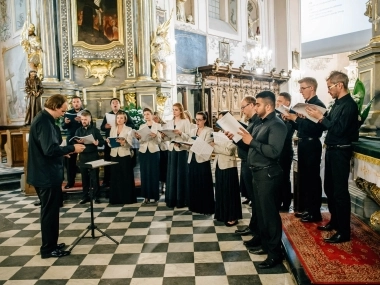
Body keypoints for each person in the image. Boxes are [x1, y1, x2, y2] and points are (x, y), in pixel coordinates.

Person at [27, 94, 85, 258]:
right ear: (55, 106)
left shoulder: (43, 118)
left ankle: (51, 243)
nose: (64, 113)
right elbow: (49, 149)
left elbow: (48, 149)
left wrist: (62, 154)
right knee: (49, 213)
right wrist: (71, 149)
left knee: (50, 211)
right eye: (63, 110)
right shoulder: (44, 122)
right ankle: (48, 249)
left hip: (43, 173)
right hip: (46, 175)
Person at [306, 71, 359, 243]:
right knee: (329, 188)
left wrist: (320, 117)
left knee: (340, 192)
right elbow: (327, 123)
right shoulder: (336, 104)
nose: (328, 90)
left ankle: (344, 232)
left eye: (330, 87)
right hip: (331, 150)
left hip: (341, 151)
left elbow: (339, 130)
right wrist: (312, 116)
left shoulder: (349, 105)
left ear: (339, 85)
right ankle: (335, 222)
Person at [238, 91, 287, 269]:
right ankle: (266, 246)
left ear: (268, 106)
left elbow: (273, 152)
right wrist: (240, 140)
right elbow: (250, 144)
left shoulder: (277, 125)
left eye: (257, 104)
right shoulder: (261, 123)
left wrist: (251, 141)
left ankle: (275, 254)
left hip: (268, 175)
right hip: (257, 173)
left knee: (270, 216)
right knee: (261, 214)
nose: (255, 107)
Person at [284, 77, 326, 222]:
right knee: (305, 179)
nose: (300, 91)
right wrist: (291, 119)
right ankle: (308, 209)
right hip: (303, 143)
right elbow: (302, 127)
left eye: (303, 88)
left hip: (312, 144)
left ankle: (315, 212)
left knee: (313, 179)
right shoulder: (306, 104)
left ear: (311, 88)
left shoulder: (318, 105)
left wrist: (295, 118)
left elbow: (315, 128)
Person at [230, 96, 261, 248]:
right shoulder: (252, 122)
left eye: (243, 107)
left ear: (252, 105)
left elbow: (250, 145)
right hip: (246, 160)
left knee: (256, 199)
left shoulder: (257, 122)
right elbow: (245, 143)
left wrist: (237, 138)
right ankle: (253, 226)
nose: (242, 110)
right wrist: (234, 138)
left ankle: (256, 229)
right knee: (252, 197)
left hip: (252, 162)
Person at [212, 111, 242, 226]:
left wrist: (216, 146)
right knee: (220, 191)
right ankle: (221, 214)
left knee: (230, 192)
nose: (219, 122)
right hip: (219, 164)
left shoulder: (235, 132)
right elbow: (219, 148)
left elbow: (229, 151)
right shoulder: (219, 133)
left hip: (229, 165)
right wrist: (217, 146)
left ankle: (232, 216)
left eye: (222, 119)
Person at [101, 98, 135, 187]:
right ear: (111, 105)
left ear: (120, 104)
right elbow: (102, 127)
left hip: (123, 146)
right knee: (108, 162)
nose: (115, 104)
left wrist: (123, 125)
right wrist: (106, 126)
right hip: (112, 143)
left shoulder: (125, 114)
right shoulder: (108, 115)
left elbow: (132, 125)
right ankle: (107, 180)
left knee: (123, 170)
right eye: (113, 103)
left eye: (117, 103)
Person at [185, 111, 214, 215]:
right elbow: (188, 144)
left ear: (205, 120)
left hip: (202, 159)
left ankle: (205, 207)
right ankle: (194, 206)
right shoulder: (192, 130)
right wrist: (182, 145)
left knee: (203, 183)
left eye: (199, 120)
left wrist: (194, 143)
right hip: (192, 158)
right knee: (193, 182)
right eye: (196, 119)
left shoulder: (209, 130)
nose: (197, 122)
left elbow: (207, 147)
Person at [164, 102, 191, 208]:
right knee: (172, 175)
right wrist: (164, 135)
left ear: (180, 110)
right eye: (173, 109)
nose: (174, 111)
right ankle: (172, 199)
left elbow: (188, 137)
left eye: (176, 109)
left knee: (180, 175)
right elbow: (168, 138)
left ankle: (181, 199)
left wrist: (180, 133)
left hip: (181, 150)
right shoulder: (170, 122)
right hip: (172, 149)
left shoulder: (185, 121)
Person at [75, 110, 105, 204]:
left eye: (85, 119)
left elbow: (102, 141)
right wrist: (77, 142)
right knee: (84, 177)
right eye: (82, 119)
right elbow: (74, 141)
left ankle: (96, 196)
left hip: (93, 155)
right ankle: (85, 196)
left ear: (89, 119)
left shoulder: (95, 130)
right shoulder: (78, 130)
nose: (84, 121)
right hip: (83, 155)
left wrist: (97, 142)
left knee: (94, 177)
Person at [107, 111, 136, 204]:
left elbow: (130, 144)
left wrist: (123, 143)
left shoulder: (129, 129)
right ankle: (116, 199)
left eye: (121, 118)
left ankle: (127, 198)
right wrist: (108, 142)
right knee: (115, 177)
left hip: (125, 155)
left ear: (125, 119)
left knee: (125, 177)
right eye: (118, 118)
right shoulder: (113, 129)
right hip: (114, 155)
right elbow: (111, 144)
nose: (119, 120)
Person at [135, 108, 161, 204]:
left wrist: (155, 136)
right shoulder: (142, 126)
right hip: (143, 151)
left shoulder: (158, 126)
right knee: (144, 173)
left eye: (148, 114)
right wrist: (139, 138)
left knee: (154, 173)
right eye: (145, 114)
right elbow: (141, 141)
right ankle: (146, 196)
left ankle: (155, 196)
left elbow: (160, 141)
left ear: (152, 115)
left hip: (154, 150)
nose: (146, 116)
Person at [276, 92, 295, 212]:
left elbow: (286, 134)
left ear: (287, 103)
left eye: (280, 101)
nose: (277, 104)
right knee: (278, 178)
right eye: (276, 101)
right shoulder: (278, 116)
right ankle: (278, 201)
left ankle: (286, 203)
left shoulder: (291, 116)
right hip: (277, 152)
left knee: (284, 178)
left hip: (285, 152)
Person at [61, 96, 83, 189]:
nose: (76, 103)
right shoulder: (68, 113)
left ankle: (88, 182)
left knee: (85, 160)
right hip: (71, 139)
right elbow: (64, 127)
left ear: (81, 102)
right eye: (74, 102)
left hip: (83, 138)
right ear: (72, 104)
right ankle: (70, 182)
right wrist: (66, 122)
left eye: (77, 101)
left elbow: (91, 125)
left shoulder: (86, 112)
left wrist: (81, 121)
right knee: (70, 162)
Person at [153, 111, 168, 194]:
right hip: (155, 148)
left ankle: (164, 185)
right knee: (157, 169)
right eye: (153, 118)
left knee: (164, 168)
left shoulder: (164, 125)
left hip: (163, 148)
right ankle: (158, 186)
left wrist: (162, 136)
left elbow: (168, 137)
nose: (155, 119)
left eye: (156, 118)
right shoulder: (151, 125)